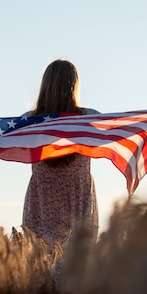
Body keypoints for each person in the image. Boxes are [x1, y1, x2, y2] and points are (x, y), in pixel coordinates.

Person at [21, 59, 100, 276]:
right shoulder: (88, 118)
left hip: (41, 202)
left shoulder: (28, 121)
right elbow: (128, 128)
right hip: (77, 199)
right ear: (74, 86)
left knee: (39, 272)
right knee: (77, 270)